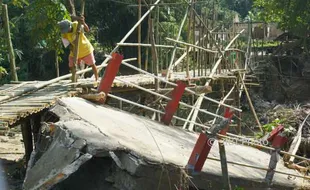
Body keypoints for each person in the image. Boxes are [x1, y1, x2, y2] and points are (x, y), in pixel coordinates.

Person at [58, 16, 98, 81]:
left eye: (67, 30)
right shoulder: (64, 34)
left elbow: (87, 30)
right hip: (75, 51)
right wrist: (73, 51)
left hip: (85, 49)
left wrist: (83, 23)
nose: (66, 32)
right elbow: (68, 45)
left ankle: (97, 79)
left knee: (92, 64)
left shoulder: (76, 25)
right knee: (71, 65)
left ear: (70, 26)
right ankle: (74, 79)